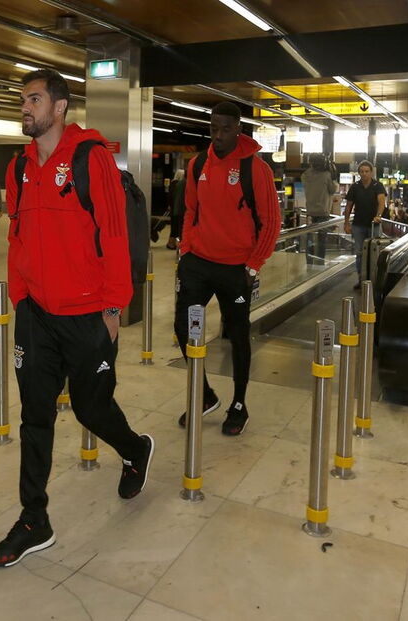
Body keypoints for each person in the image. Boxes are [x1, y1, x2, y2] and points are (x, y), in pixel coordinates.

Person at [0, 69, 154, 568]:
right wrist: (21, 295)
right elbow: (17, 235)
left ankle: (135, 449)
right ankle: (34, 519)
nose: (25, 108)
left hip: (86, 313)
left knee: (91, 409)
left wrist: (112, 307)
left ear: (60, 107)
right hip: (36, 313)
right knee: (35, 415)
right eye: (23, 100)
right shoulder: (20, 168)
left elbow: (115, 235)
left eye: (34, 100)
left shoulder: (90, 158)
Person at [175, 101, 281, 436]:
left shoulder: (255, 168)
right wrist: (186, 249)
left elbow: (271, 222)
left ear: (238, 129)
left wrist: (253, 265)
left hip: (236, 267)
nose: (218, 136)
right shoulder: (198, 164)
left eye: (225, 129)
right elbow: (191, 210)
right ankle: (204, 394)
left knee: (237, 336)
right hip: (198, 263)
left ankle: (239, 403)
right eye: (213, 128)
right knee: (182, 327)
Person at [344, 160, 386, 289]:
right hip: (358, 225)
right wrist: (346, 223)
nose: (364, 174)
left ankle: (375, 280)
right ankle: (362, 280)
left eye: (366, 171)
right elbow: (349, 206)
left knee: (375, 252)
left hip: (374, 225)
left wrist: (378, 216)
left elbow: (381, 202)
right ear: (359, 173)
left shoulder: (378, 186)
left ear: (371, 172)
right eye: (362, 171)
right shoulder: (355, 187)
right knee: (360, 253)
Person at [301, 153, 339, 262]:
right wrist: (334, 179)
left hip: (310, 211)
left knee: (310, 238)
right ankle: (320, 261)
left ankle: (309, 261)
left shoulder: (305, 175)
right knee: (322, 238)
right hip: (323, 211)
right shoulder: (326, 175)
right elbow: (333, 189)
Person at [166, 169, 186, 250]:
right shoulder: (178, 184)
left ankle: (171, 243)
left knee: (174, 228)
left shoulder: (173, 183)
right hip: (176, 209)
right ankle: (171, 244)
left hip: (174, 208)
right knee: (175, 228)